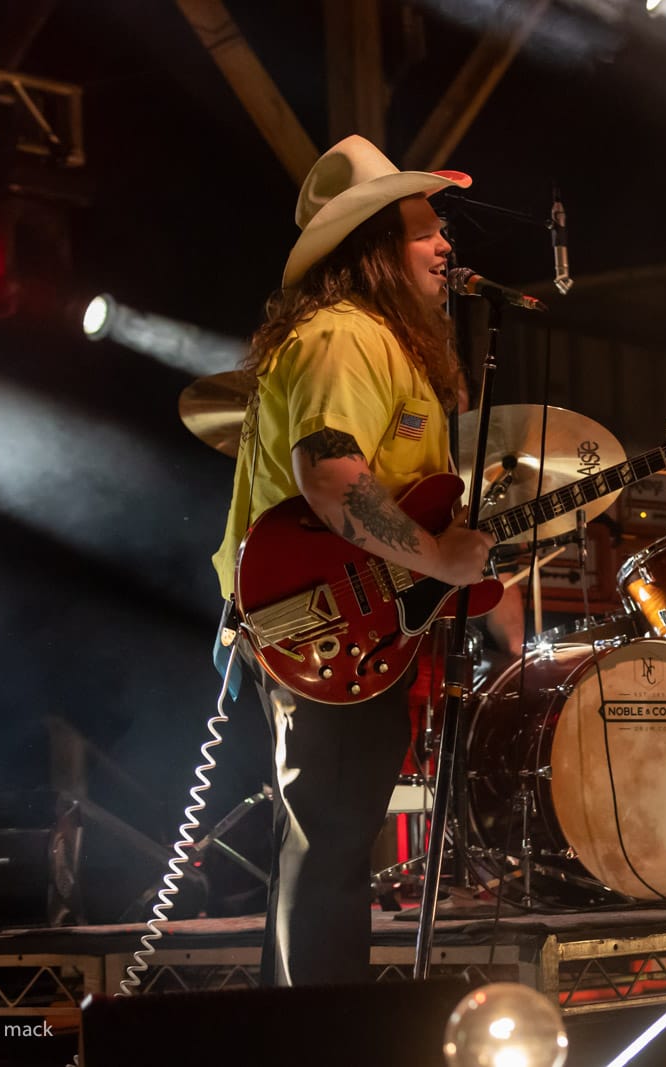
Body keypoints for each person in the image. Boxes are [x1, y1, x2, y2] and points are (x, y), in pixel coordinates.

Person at [210, 135, 494, 986]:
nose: (445, 244)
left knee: (334, 837)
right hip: (320, 617)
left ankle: (314, 1024)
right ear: (373, 247)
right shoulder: (343, 336)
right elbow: (331, 472)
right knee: (330, 836)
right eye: (423, 230)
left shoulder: (382, 343)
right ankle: (318, 1033)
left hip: (353, 619)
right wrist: (439, 556)